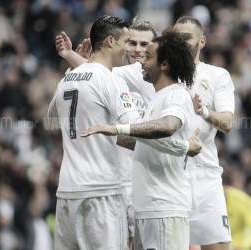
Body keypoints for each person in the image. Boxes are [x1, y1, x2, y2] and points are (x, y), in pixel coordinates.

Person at [49, 15, 201, 250]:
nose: (135, 55)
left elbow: (52, 117)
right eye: (127, 42)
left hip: (67, 192)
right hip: (102, 191)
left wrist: (71, 64)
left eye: (146, 52)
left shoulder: (67, 79)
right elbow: (138, 131)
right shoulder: (112, 80)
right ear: (111, 41)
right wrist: (184, 147)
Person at [174, 16, 235, 250]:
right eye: (178, 36)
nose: (182, 41)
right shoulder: (161, 75)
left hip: (206, 176)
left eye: (187, 37)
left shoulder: (217, 75)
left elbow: (227, 123)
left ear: (202, 42)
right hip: (172, 175)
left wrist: (204, 112)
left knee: (218, 246)